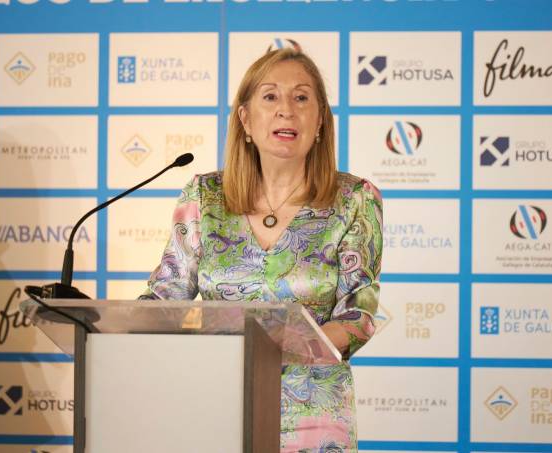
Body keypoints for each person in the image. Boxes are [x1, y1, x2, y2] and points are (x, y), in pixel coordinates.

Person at [142, 48, 383, 452]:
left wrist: (286, 349)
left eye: (301, 97)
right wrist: (101, 326)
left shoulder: (355, 198)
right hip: (215, 404)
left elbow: (359, 314)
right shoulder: (204, 196)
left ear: (320, 120)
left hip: (314, 415)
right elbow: (165, 296)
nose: (286, 109)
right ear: (245, 119)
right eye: (270, 96)